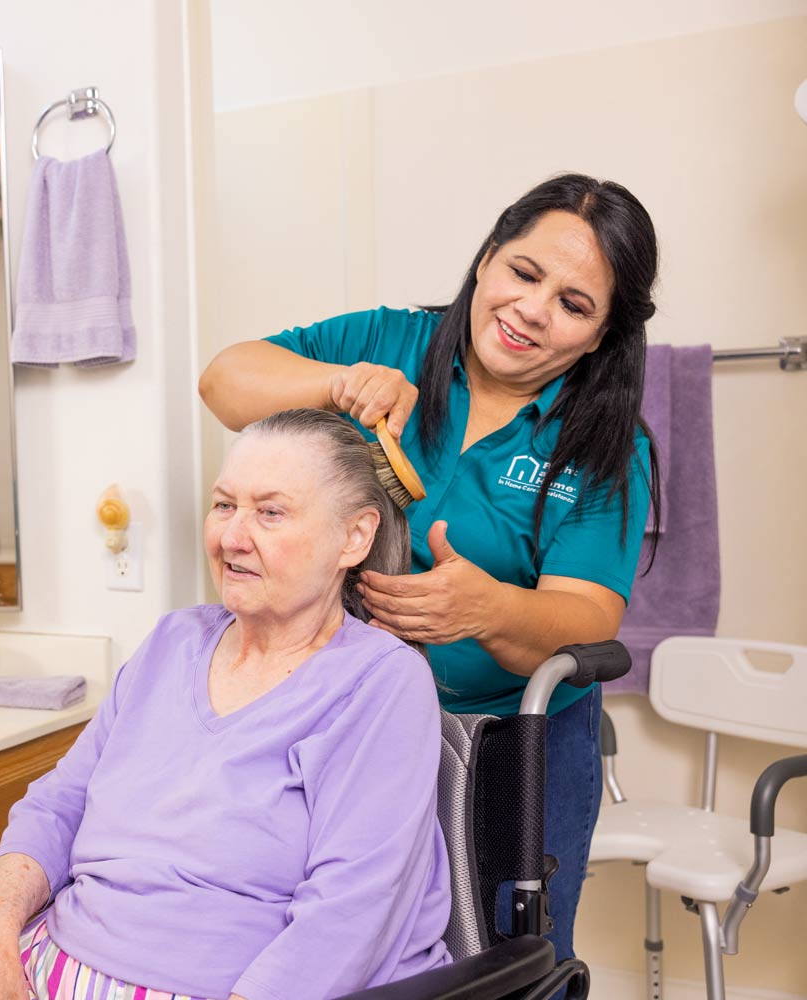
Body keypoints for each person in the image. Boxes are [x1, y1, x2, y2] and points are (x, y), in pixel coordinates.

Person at [199, 173, 661, 969]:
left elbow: (588, 619)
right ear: (486, 260)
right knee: (347, 940)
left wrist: (488, 610)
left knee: (517, 957)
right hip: (350, 714)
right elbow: (224, 381)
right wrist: (333, 384)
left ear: (599, 336)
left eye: (574, 304)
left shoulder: (606, 446)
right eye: (524, 272)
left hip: (517, 742)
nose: (531, 310)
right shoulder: (393, 342)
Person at [0, 408, 451, 1000]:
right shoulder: (171, 641)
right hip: (49, 964)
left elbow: (353, 911)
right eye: (224, 504)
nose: (232, 536)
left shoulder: (381, 681)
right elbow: (60, 805)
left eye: (270, 512)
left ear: (354, 537)